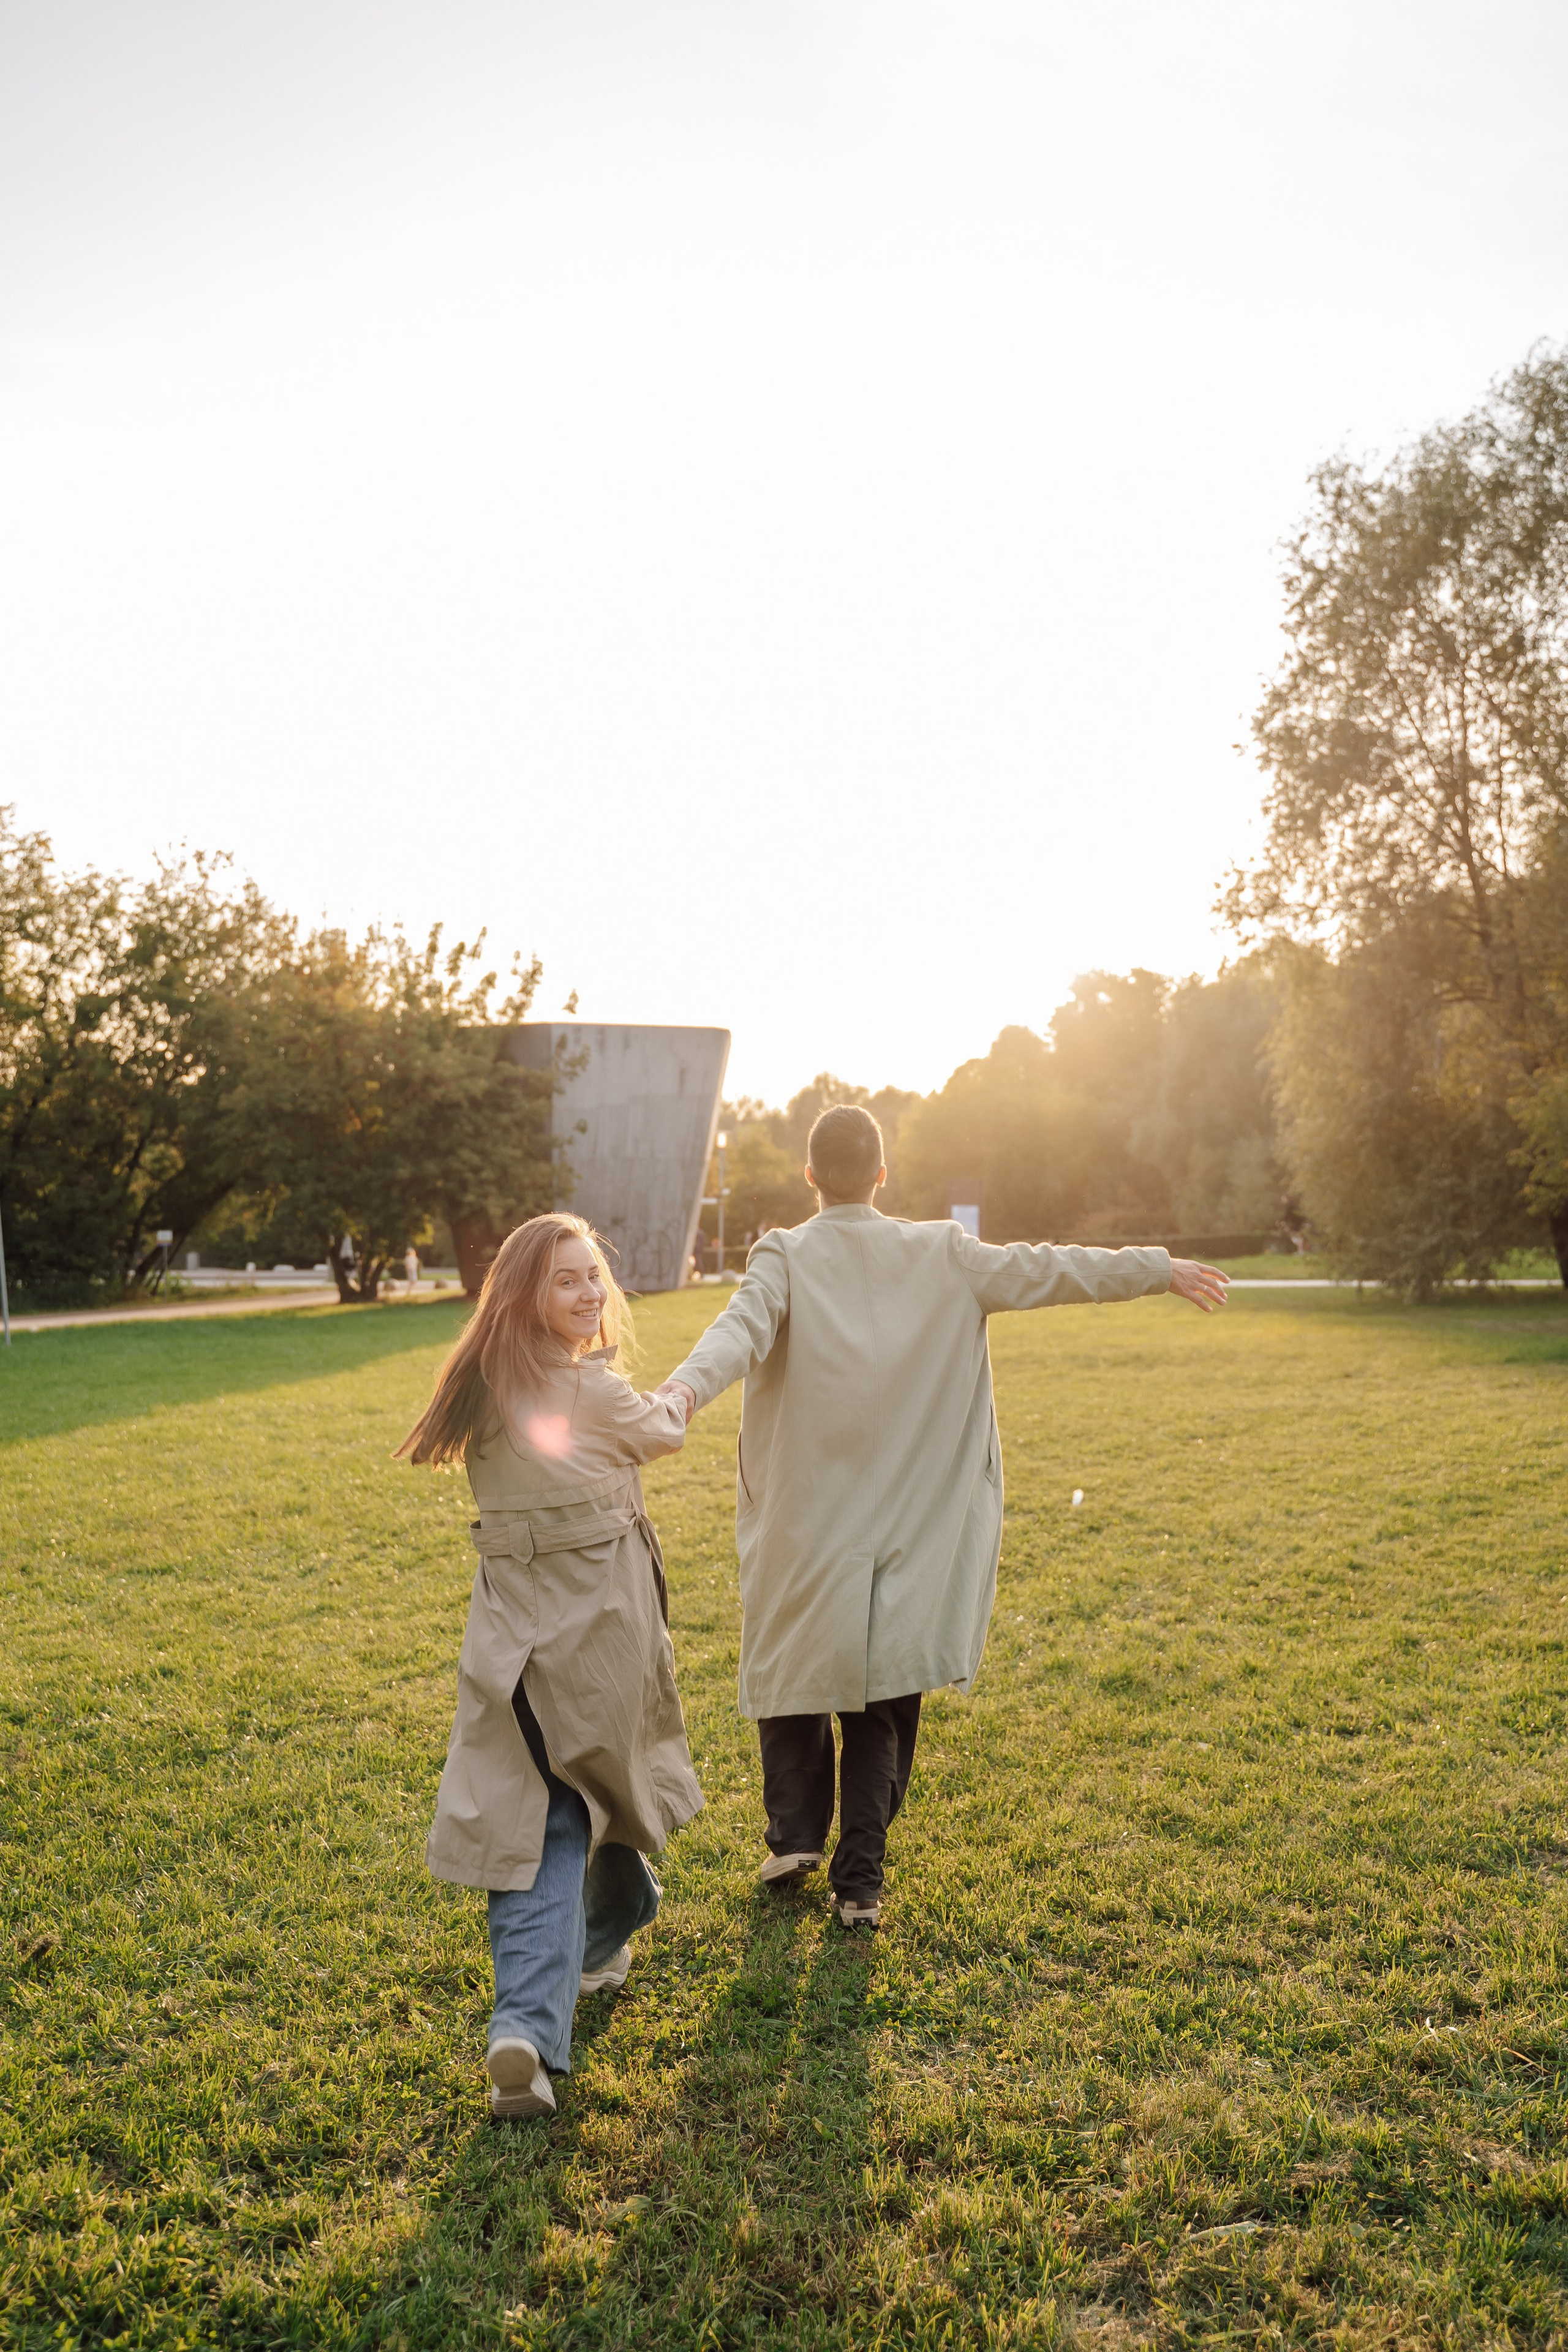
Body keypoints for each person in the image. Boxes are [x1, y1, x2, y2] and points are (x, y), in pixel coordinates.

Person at [657, 1104, 1227, 1929]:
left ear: (810, 1176)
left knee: (795, 1660)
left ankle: (795, 1836)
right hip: (910, 1512)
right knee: (882, 1693)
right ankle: (858, 1882)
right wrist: (1159, 1268)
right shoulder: (944, 1252)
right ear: (882, 1174)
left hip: (807, 1508)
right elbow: (1052, 1268)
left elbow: (736, 1331)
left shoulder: (783, 1252)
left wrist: (682, 1391)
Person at [399, 1212, 702, 2119]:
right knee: (559, 1817)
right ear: (525, 1294)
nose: (589, 1292)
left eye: (593, 1274)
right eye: (565, 1279)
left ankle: (602, 1936)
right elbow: (666, 1431)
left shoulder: (480, 1385)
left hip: (508, 1639)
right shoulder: (590, 1393)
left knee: (563, 1802)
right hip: (593, 1636)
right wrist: (693, 1384)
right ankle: (526, 2027)